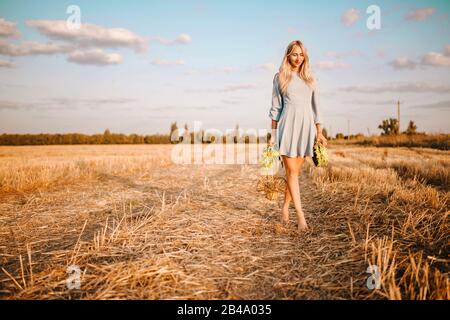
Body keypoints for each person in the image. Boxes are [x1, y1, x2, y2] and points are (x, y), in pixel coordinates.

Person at [268, 40, 327, 232]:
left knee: (294, 173)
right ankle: (301, 218)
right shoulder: (280, 78)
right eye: (294, 54)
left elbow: (316, 108)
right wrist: (273, 135)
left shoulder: (310, 79)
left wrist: (319, 132)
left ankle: (284, 209)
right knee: (292, 173)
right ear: (288, 56)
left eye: (301, 55)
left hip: (306, 129)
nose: (298, 58)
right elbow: (276, 108)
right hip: (287, 128)